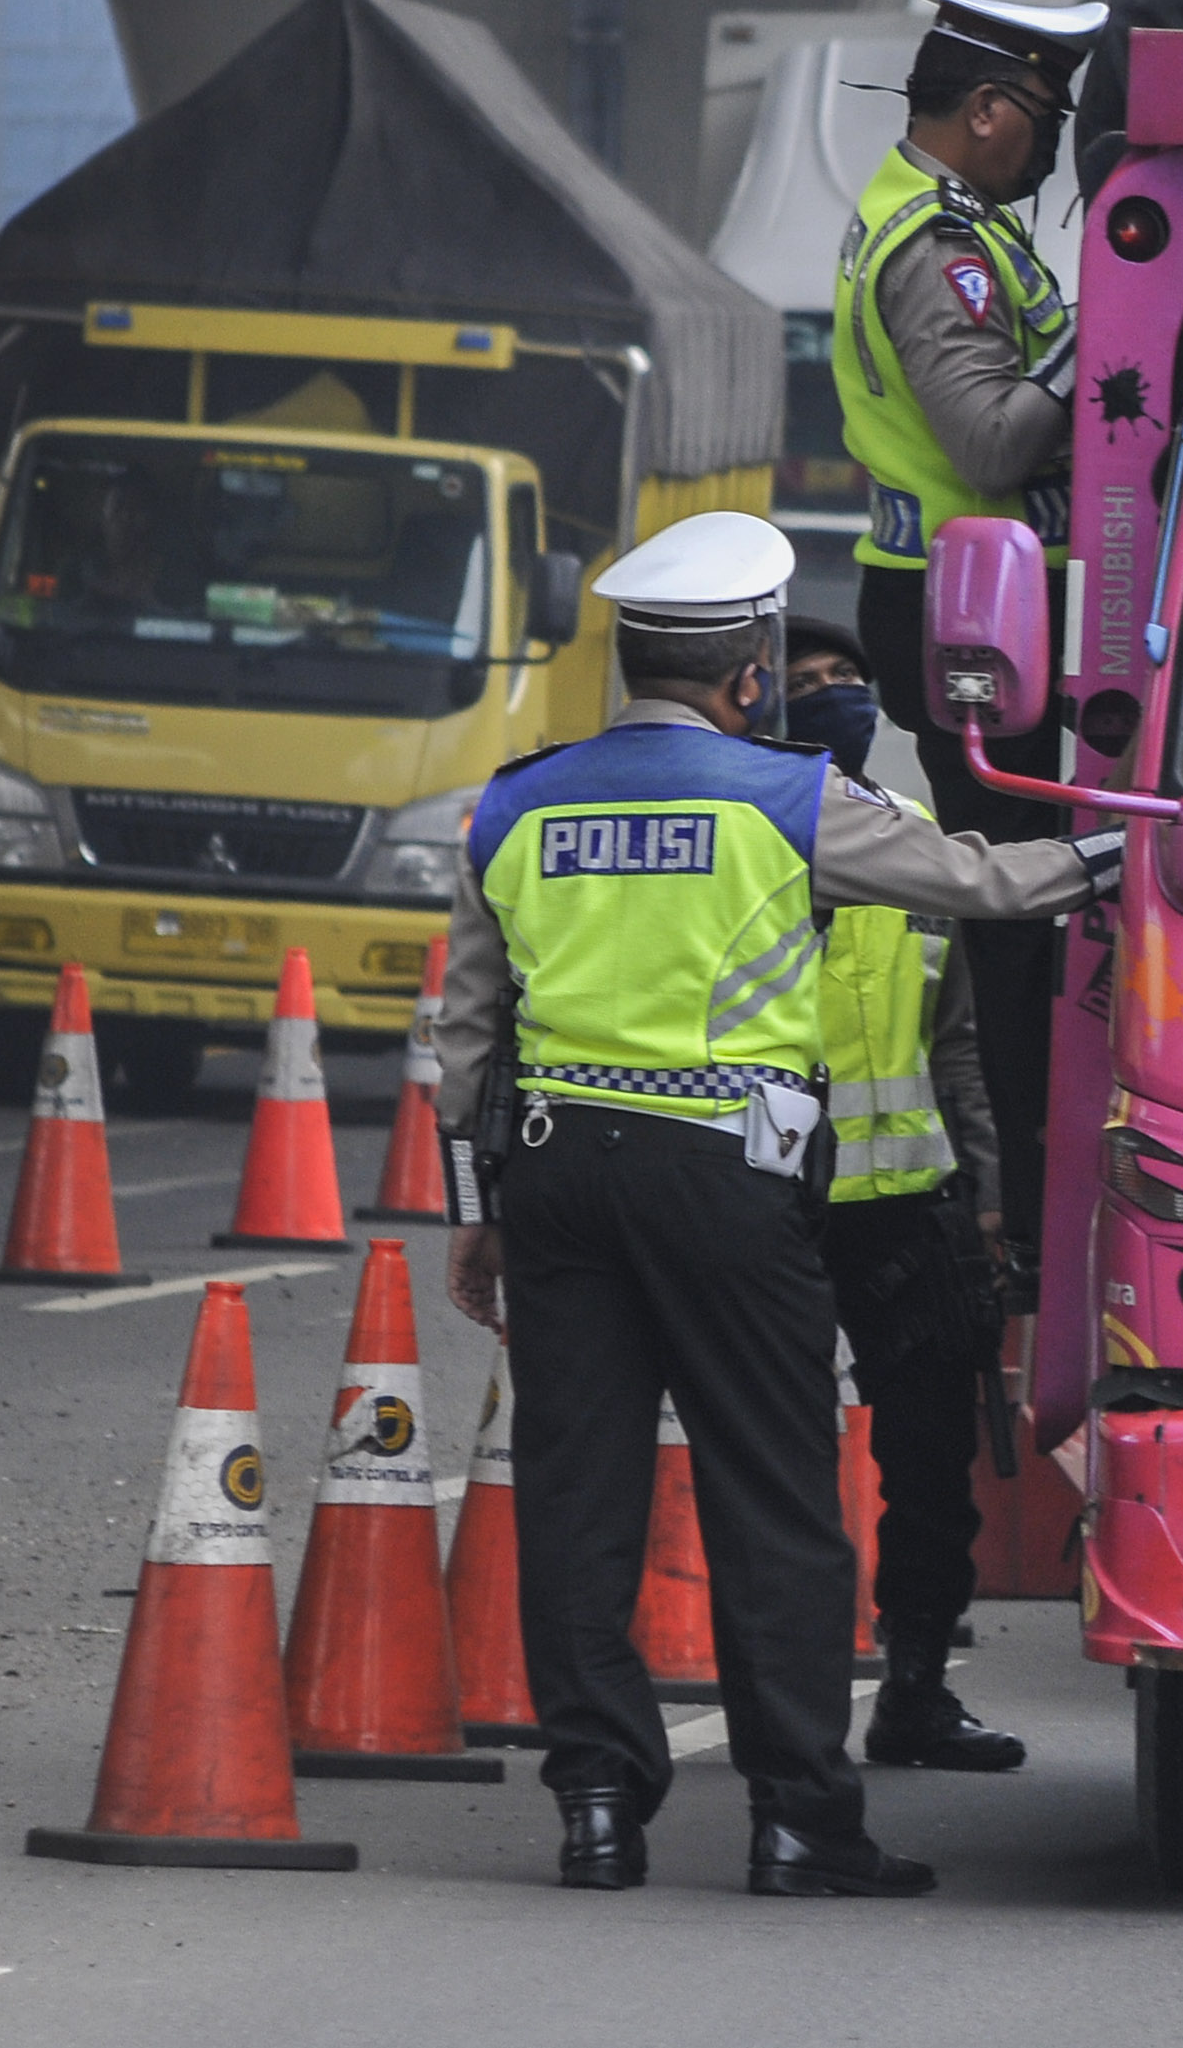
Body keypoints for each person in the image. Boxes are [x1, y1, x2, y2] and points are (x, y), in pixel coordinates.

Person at [435, 511, 1105, 1899]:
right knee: (776, 1498)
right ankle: (801, 1819)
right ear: (749, 667)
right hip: (725, 1184)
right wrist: (1121, 854)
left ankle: (600, 1807)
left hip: (556, 1177)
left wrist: (479, 1212)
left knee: (578, 1497)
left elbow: (467, 1041)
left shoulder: (515, 801)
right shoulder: (783, 797)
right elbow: (986, 880)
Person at [830, 0, 1108, 1290]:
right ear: (988, 110)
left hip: (979, 592)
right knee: (1019, 912)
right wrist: (1121, 316)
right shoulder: (927, 248)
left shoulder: (959, 225)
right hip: (968, 607)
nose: (1050, 144)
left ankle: (1040, 1187)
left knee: (1037, 899)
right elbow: (992, 437)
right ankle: (1041, 1214)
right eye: (1044, 116)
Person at [782, 615, 1023, 1773]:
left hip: (908, 1204)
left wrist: (982, 1192)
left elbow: (957, 1041)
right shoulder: (747, 839)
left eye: (847, 679)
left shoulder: (921, 841)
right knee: (774, 1461)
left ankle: (916, 1687)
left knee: (929, 1465)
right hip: (770, 1196)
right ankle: (784, 1698)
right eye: (804, 683)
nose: (832, 696)